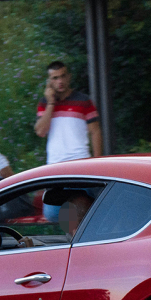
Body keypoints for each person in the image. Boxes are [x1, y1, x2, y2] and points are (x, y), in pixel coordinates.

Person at [33, 61, 102, 221]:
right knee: (51, 214)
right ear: (49, 81)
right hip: (55, 170)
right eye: (55, 78)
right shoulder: (44, 103)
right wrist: (51, 103)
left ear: (69, 76)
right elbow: (41, 131)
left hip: (81, 165)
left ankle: (83, 239)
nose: (60, 81)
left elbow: (95, 131)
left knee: (93, 209)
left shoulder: (84, 101)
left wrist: (97, 162)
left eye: (63, 76)